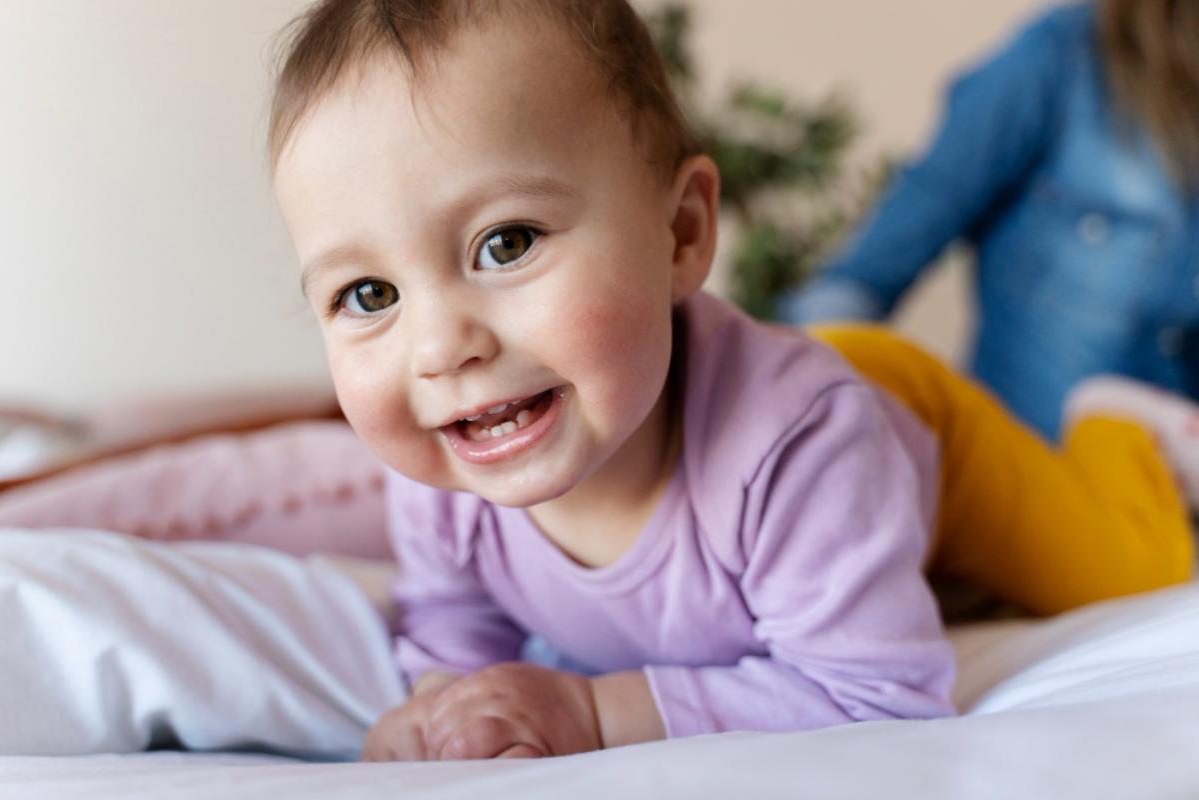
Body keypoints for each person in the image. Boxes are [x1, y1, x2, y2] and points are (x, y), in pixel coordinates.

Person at [266, 0, 1195, 762]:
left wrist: (592, 716)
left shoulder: (803, 443)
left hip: (904, 413)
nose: (439, 347)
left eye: (504, 244)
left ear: (682, 237)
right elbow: (452, 621)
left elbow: (881, 693)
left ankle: (1115, 432)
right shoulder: (451, 451)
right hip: (812, 459)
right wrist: (445, 710)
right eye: (368, 293)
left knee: (1135, 568)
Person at [779, 1, 1199, 440]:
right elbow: (860, 281)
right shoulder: (1059, 58)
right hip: (1026, 483)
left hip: (1172, 501)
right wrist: (796, 421)